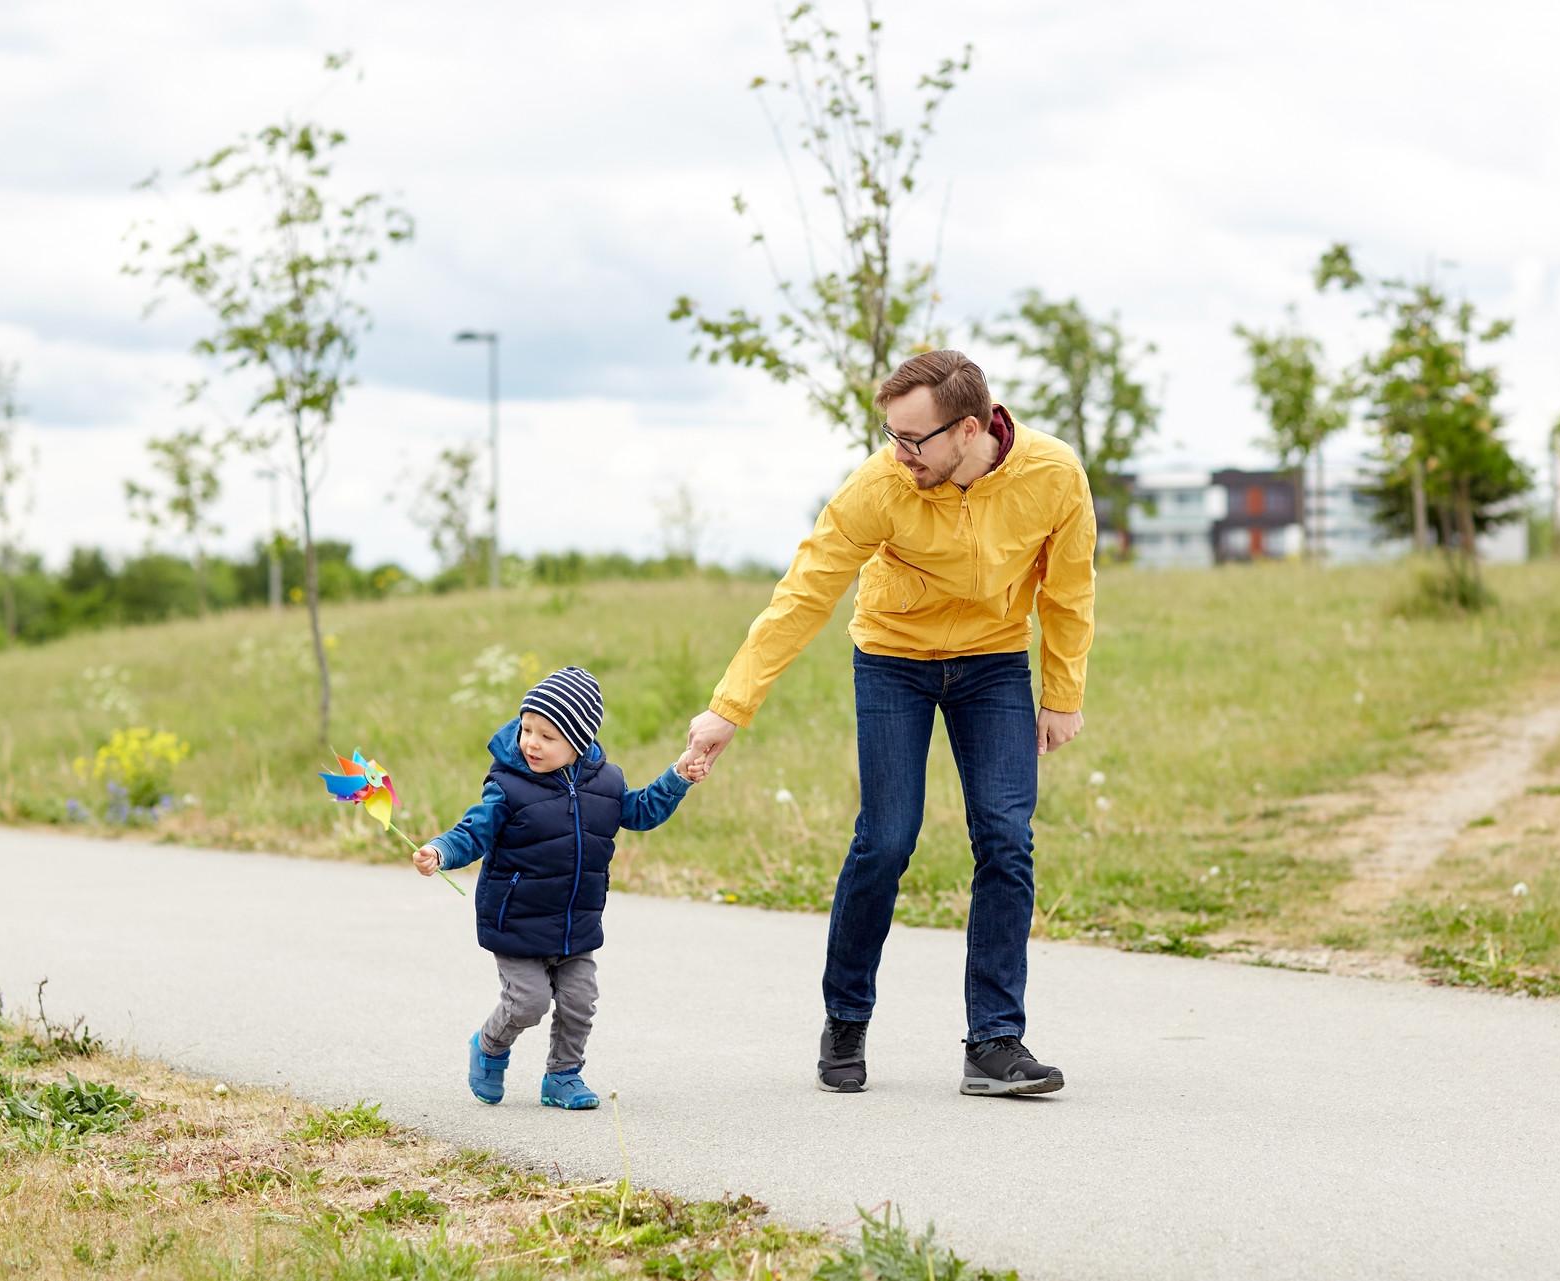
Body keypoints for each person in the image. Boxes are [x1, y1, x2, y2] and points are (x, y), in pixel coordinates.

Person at [685, 350, 1096, 1097]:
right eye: (891, 434)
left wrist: (1062, 691)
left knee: (1007, 835)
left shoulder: (1054, 474)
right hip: (894, 659)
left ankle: (995, 1042)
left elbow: (1068, 589)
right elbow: (804, 593)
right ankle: (845, 1018)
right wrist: (728, 706)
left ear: (968, 430)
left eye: (914, 438)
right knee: (887, 837)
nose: (898, 453)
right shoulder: (881, 484)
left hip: (994, 661)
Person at [418, 666, 709, 1110]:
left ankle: (563, 1076)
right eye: (526, 729)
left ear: (579, 742)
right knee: (527, 1003)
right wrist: (441, 850)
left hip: (576, 921)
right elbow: (473, 830)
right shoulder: (507, 786)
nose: (531, 742)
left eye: (547, 736)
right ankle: (489, 1046)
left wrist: (678, 777)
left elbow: (642, 811)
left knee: (579, 1002)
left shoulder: (607, 783)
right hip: (517, 919)